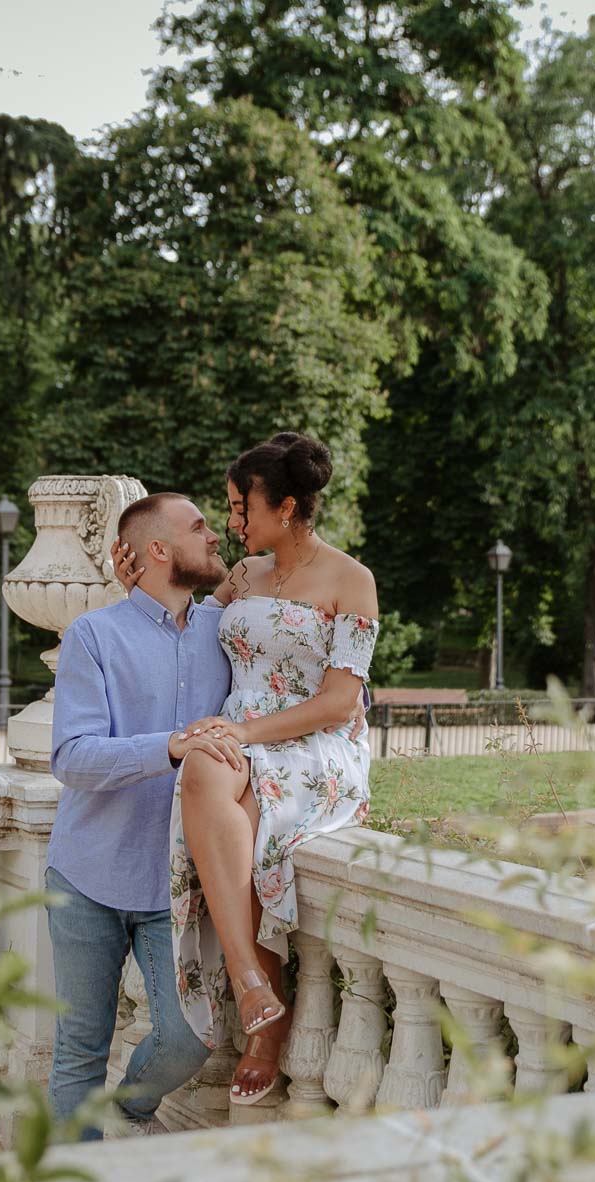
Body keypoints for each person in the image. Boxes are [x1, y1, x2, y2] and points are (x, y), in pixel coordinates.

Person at [134, 433, 379, 1108]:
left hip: (314, 740)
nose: (234, 523)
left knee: (246, 803)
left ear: (289, 505)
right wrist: (141, 577)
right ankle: (251, 981)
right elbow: (182, 638)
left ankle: (262, 1029)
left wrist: (242, 731)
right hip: (241, 730)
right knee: (207, 771)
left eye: (243, 508)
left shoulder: (351, 580)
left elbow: (340, 700)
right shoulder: (243, 577)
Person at [44, 492, 240, 1139]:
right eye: (199, 527)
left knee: (191, 1035)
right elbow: (72, 755)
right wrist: (170, 745)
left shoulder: (227, 633)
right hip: (88, 874)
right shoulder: (93, 635)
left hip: (176, 884)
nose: (215, 536)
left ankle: (128, 1111)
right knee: (80, 1045)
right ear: (159, 550)